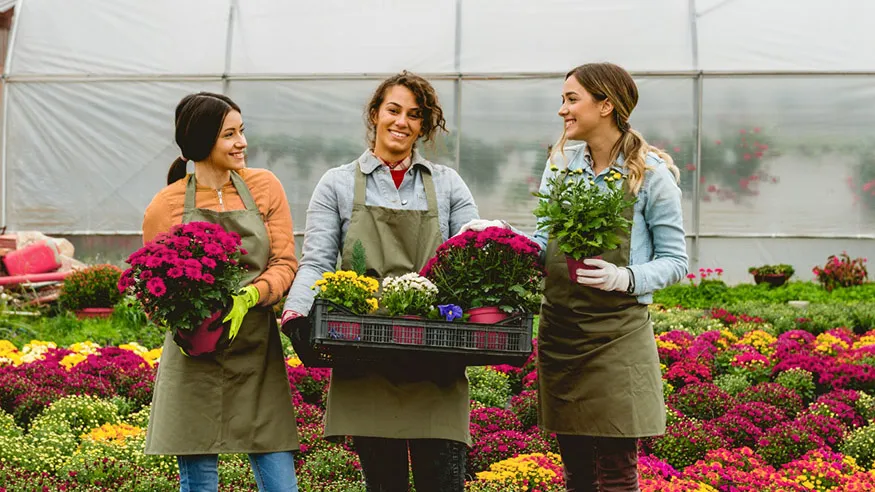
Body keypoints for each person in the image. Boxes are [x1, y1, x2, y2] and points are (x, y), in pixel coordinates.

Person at [281, 71, 488, 492]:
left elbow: (470, 261)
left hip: (435, 353)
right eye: (394, 110)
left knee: (442, 482)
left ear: (423, 125)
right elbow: (317, 261)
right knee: (383, 483)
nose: (402, 122)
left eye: (414, 115)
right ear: (375, 114)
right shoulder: (338, 183)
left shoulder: (447, 184)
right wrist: (296, 310)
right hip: (365, 352)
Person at [532, 63, 688, 491]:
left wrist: (625, 277)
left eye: (572, 99)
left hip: (617, 334)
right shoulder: (560, 165)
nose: (562, 109)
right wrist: (501, 239)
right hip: (562, 330)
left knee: (617, 471)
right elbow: (544, 241)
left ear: (605, 105)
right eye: (563, 99)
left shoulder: (650, 175)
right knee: (577, 470)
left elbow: (676, 260)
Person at [142, 92, 300, 492]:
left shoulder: (264, 187)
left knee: (281, 483)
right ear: (201, 141)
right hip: (194, 356)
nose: (242, 142)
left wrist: (251, 295)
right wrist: (188, 320)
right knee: (200, 484)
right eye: (229, 135)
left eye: (241, 131)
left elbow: (285, 263)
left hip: (257, 351)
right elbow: (151, 291)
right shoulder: (166, 205)